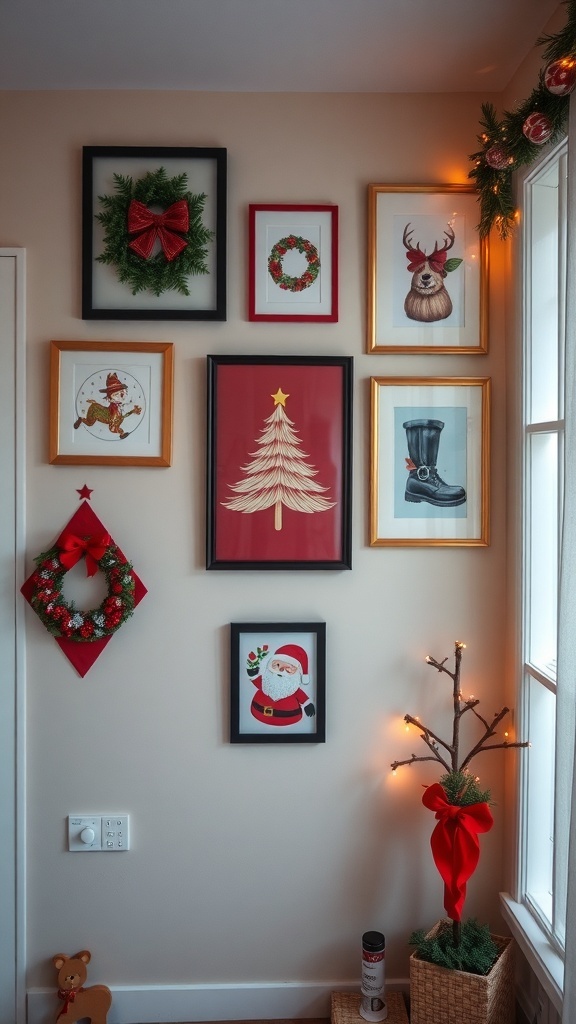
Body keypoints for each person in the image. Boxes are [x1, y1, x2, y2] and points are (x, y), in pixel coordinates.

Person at [249, 643, 315, 727]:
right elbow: (256, 680)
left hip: (289, 721)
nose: (281, 669)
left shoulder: (292, 688)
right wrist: (253, 673)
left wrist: (307, 704)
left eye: (288, 668)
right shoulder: (266, 681)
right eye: (277, 665)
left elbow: (301, 696)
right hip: (258, 715)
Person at [74, 372, 141, 440]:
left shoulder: (119, 408)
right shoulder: (114, 409)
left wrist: (133, 411)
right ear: (110, 399)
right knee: (89, 423)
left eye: (122, 393)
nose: (121, 396)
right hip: (96, 410)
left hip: (107, 413)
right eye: (116, 395)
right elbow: (112, 428)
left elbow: (122, 416)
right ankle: (81, 419)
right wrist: (121, 431)